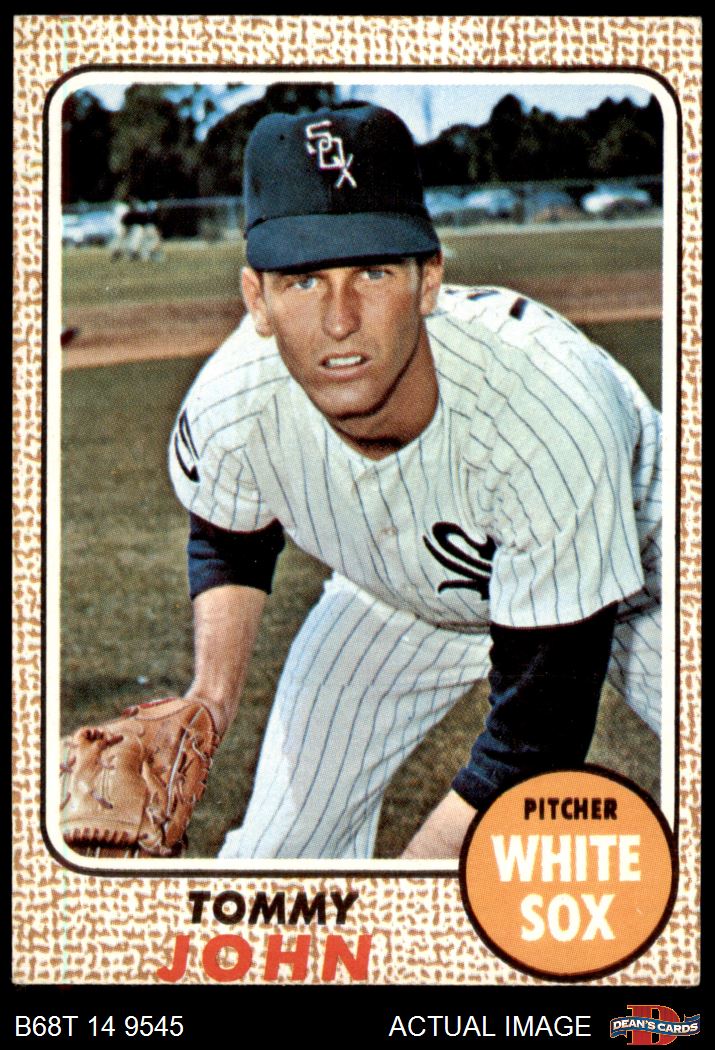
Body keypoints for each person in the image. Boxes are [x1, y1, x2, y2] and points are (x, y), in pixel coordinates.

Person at [168, 103, 661, 860]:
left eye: (373, 271)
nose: (340, 320)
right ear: (256, 299)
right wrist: (209, 697)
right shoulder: (233, 402)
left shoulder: (544, 405)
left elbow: (539, 730)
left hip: (649, 581)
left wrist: (404, 899)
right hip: (398, 597)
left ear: (428, 280)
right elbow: (231, 537)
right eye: (302, 279)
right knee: (275, 861)